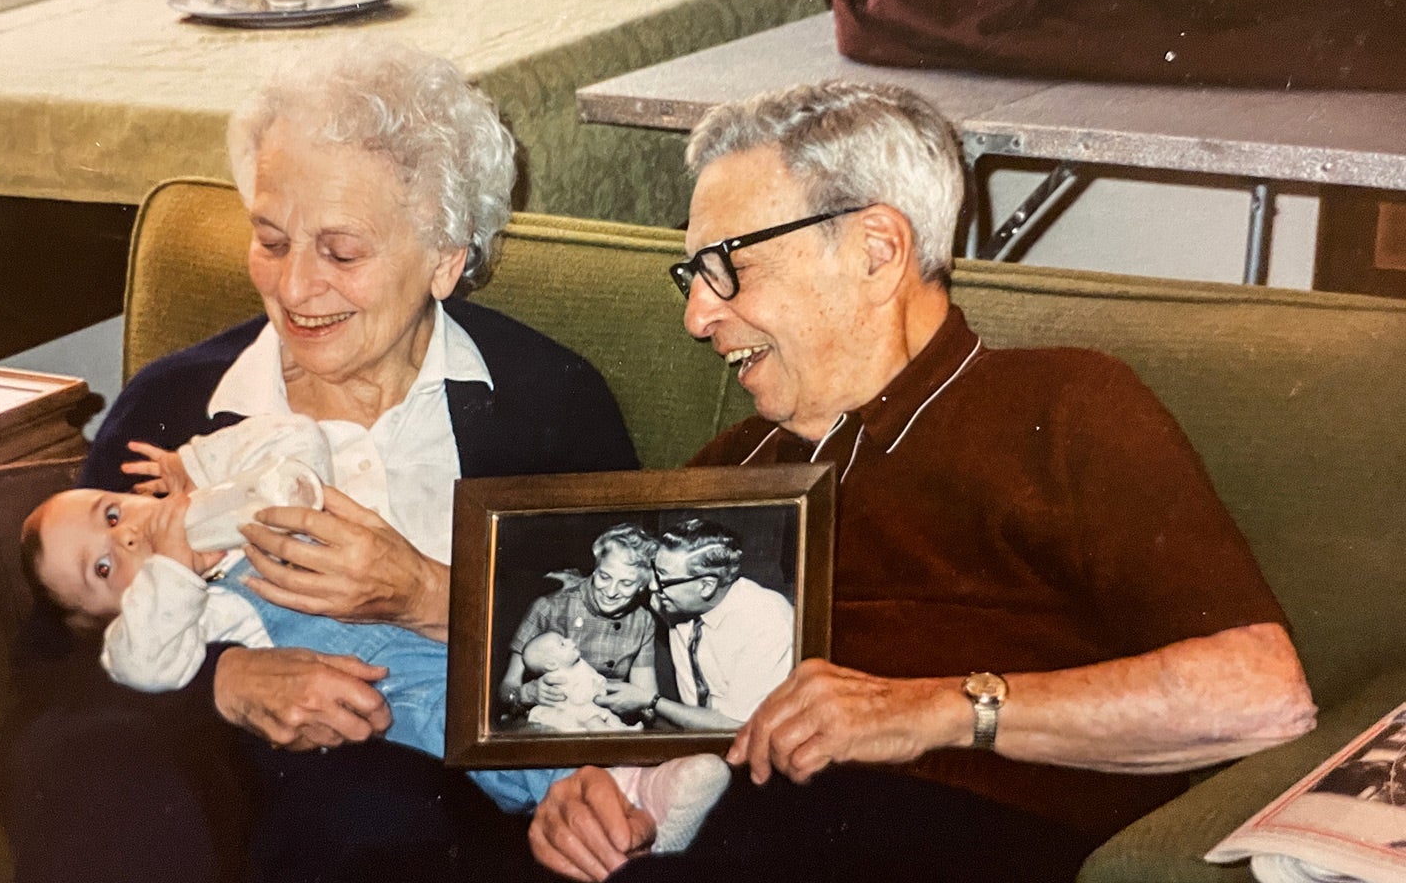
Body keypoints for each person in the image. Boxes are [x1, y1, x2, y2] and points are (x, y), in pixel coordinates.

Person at [528, 81, 1318, 883]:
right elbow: (633, 721)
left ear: (878, 250)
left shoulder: (1065, 405)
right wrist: (587, 792)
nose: (698, 315)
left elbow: (1259, 689)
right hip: (740, 837)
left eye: (730, 266)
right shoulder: (727, 473)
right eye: (691, 274)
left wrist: (941, 710)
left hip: (972, 835)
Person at [0, 42, 641, 883]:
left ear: (444, 257)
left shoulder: (549, 401)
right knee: (78, 761)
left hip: (429, 806)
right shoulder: (178, 402)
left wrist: (429, 595)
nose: (293, 289)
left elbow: (638, 641)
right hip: (208, 783)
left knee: (367, 809)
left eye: (340, 251)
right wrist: (226, 682)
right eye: (270, 238)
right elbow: (50, 663)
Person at [20, 437, 722, 831]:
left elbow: (298, 451)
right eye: (105, 568)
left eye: (113, 513)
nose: (131, 537)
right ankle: (631, 800)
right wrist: (181, 593)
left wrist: (200, 472)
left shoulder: (213, 512)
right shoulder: (174, 606)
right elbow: (138, 666)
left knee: (534, 688)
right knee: (453, 726)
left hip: (428, 634)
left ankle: (643, 769)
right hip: (371, 695)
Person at [597, 518, 793, 731]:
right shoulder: (671, 597)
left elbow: (736, 729)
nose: (653, 586)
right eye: (656, 571)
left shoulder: (766, 622)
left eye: (663, 578)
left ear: (706, 586)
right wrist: (577, 586)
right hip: (692, 737)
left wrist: (650, 701)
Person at [499, 523, 658, 717]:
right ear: (595, 567)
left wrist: (640, 708)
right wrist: (527, 694)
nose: (611, 592)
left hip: (607, 722)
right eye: (604, 576)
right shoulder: (549, 607)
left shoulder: (643, 621)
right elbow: (506, 690)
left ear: (642, 586)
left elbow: (646, 698)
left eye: (626, 583)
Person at [518, 632, 636, 733]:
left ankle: (623, 729)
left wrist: (600, 684)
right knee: (592, 720)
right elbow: (572, 697)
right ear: (552, 664)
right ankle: (605, 733)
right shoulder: (556, 678)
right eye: (562, 644)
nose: (570, 640)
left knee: (610, 716)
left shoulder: (580, 664)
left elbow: (593, 677)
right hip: (569, 711)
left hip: (588, 707)